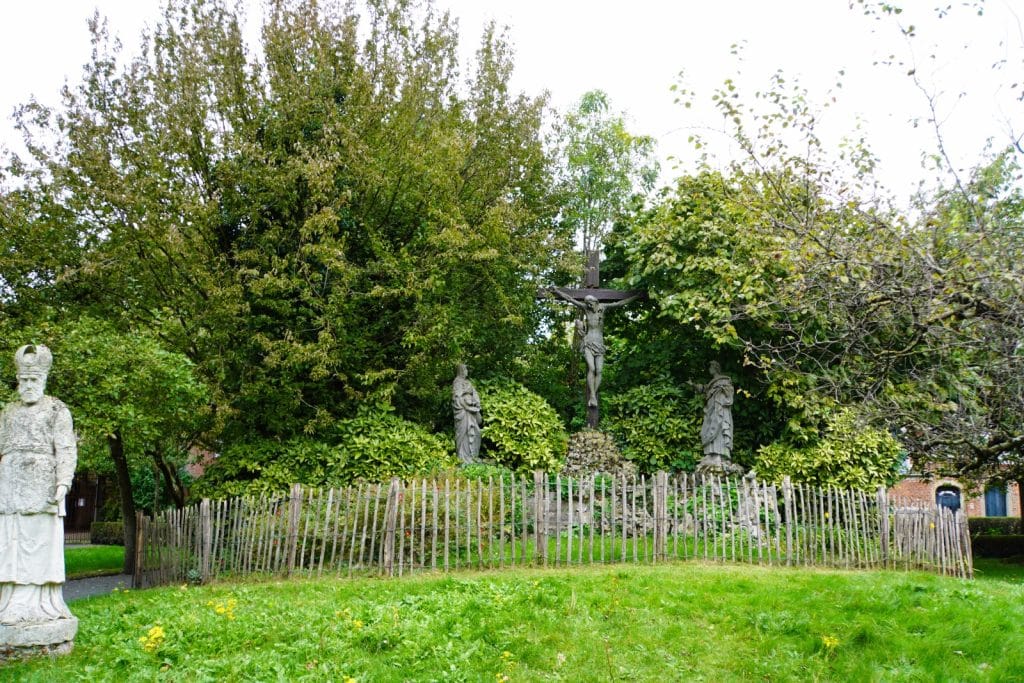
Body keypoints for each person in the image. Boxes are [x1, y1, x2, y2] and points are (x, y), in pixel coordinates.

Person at [0, 345, 77, 626]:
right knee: (11, 542)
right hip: (9, 488)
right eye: (24, 380)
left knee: (37, 542)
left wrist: (63, 483)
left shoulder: (56, 409)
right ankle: (10, 600)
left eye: (34, 380)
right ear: (18, 381)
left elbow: (66, 448)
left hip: (42, 486)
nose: (29, 385)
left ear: (43, 380)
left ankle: (36, 603)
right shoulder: (8, 412)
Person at [551, 288, 640, 409]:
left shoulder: (603, 307)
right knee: (591, 369)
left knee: (599, 370)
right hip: (588, 342)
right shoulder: (586, 309)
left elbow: (619, 303)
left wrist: (636, 296)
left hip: (599, 343)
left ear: (596, 302)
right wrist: (557, 291)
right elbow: (570, 299)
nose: (589, 305)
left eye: (590, 303)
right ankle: (592, 396)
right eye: (587, 303)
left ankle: (593, 396)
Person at [452, 364, 482, 464]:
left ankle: (473, 456)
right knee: (463, 433)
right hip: (463, 413)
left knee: (476, 431)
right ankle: (463, 458)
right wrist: (466, 404)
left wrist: (475, 403)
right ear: (460, 370)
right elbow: (456, 398)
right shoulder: (457, 382)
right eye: (464, 369)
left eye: (466, 369)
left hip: (471, 413)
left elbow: (475, 394)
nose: (466, 371)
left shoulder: (468, 382)